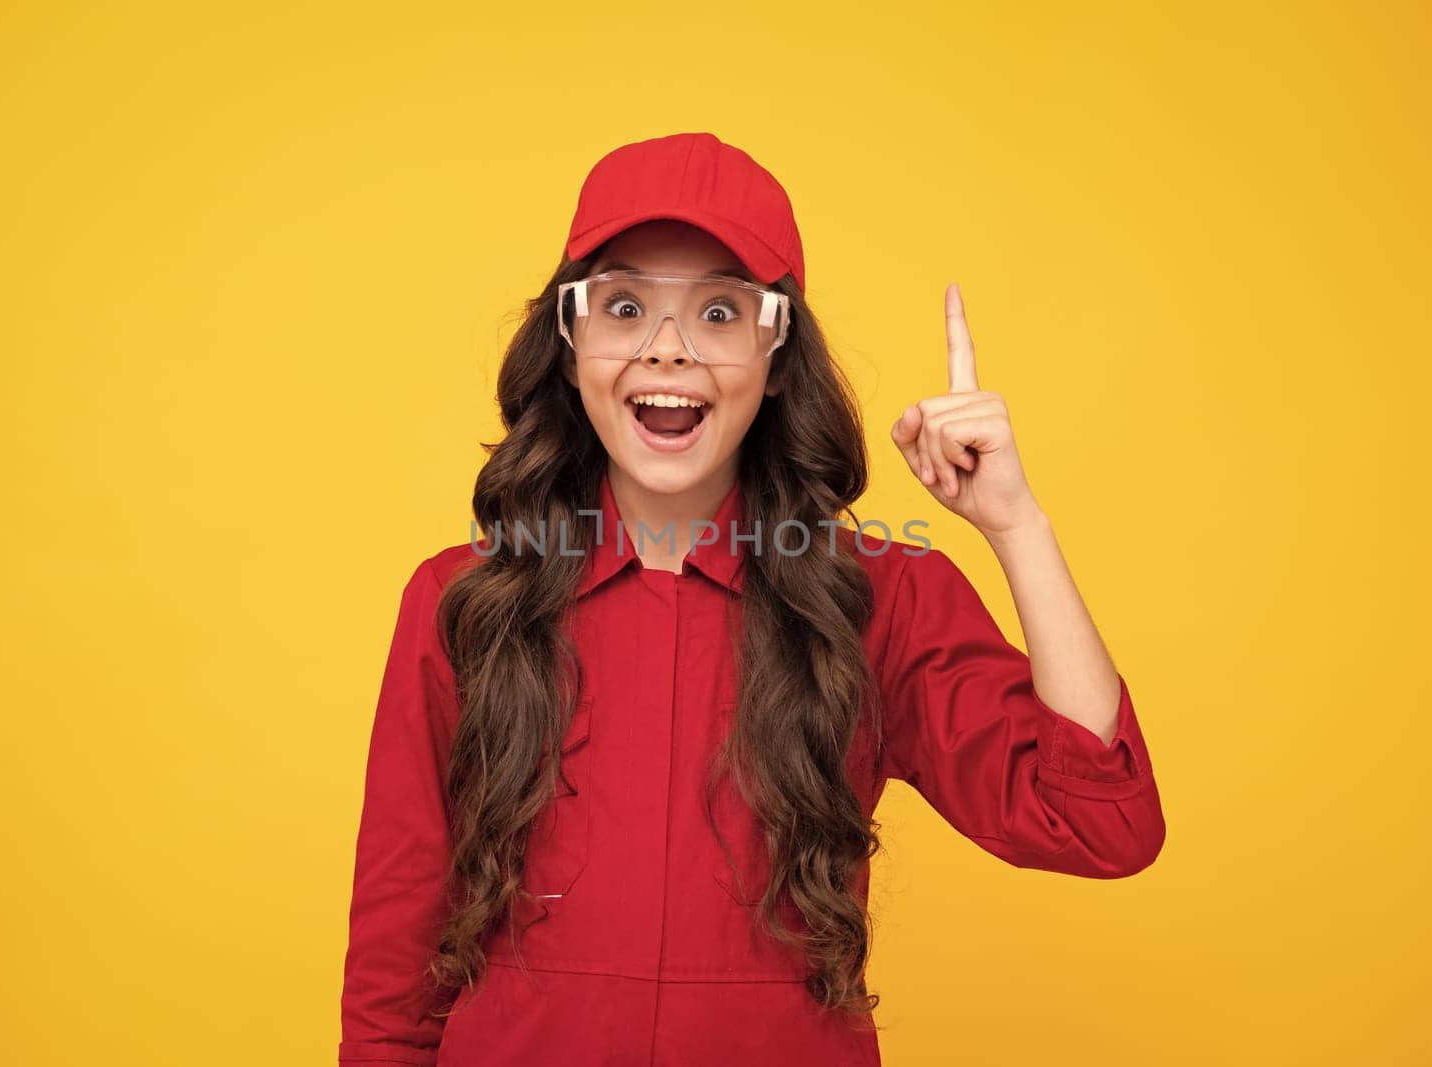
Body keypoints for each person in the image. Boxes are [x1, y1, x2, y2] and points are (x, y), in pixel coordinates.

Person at [338, 131, 1165, 1067]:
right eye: (623, 306)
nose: (668, 351)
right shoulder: (463, 603)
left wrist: (1018, 526)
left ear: (777, 359)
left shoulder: (877, 600)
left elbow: (1104, 821)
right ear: (569, 347)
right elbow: (394, 972)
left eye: (721, 313)